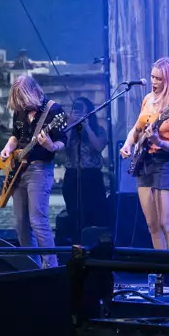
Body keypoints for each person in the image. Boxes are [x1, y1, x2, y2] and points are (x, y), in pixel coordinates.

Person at [120, 57, 169, 256]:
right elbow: (137, 128)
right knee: (152, 224)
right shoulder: (148, 99)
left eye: (159, 79)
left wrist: (158, 141)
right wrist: (128, 144)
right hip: (145, 162)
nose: (154, 81)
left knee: (167, 223)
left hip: (166, 163)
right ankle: (161, 267)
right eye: (152, 77)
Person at [0, 74, 66, 267]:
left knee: (38, 220)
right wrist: (8, 148)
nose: (21, 104)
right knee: (21, 223)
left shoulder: (54, 111)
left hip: (39, 169)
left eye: (23, 99)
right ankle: (31, 266)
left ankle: (51, 266)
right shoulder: (20, 110)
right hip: (18, 170)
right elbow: (15, 136)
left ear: (34, 92)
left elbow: (63, 142)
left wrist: (50, 146)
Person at [59, 96, 109, 243]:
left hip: (91, 176)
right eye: (75, 109)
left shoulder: (99, 130)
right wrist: (70, 124)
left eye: (81, 109)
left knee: (94, 211)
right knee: (74, 213)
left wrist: (86, 126)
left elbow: (98, 146)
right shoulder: (68, 130)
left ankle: (93, 244)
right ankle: (76, 244)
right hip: (72, 175)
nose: (78, 112)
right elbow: (62, 147)